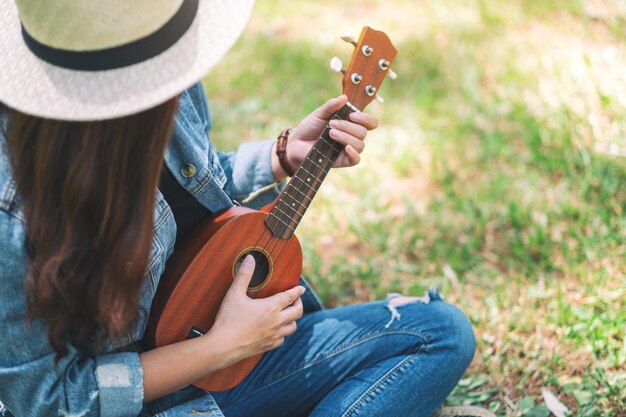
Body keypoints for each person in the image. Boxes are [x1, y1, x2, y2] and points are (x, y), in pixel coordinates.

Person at [0, 1, 477, 416]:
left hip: (228, 337)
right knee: (433, 338)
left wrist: (283, 155)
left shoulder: (163, 58)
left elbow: (193, 190)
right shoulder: (13, 211)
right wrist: (219, 347)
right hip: (154, 395)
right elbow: (50, 402)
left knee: (440, 330)